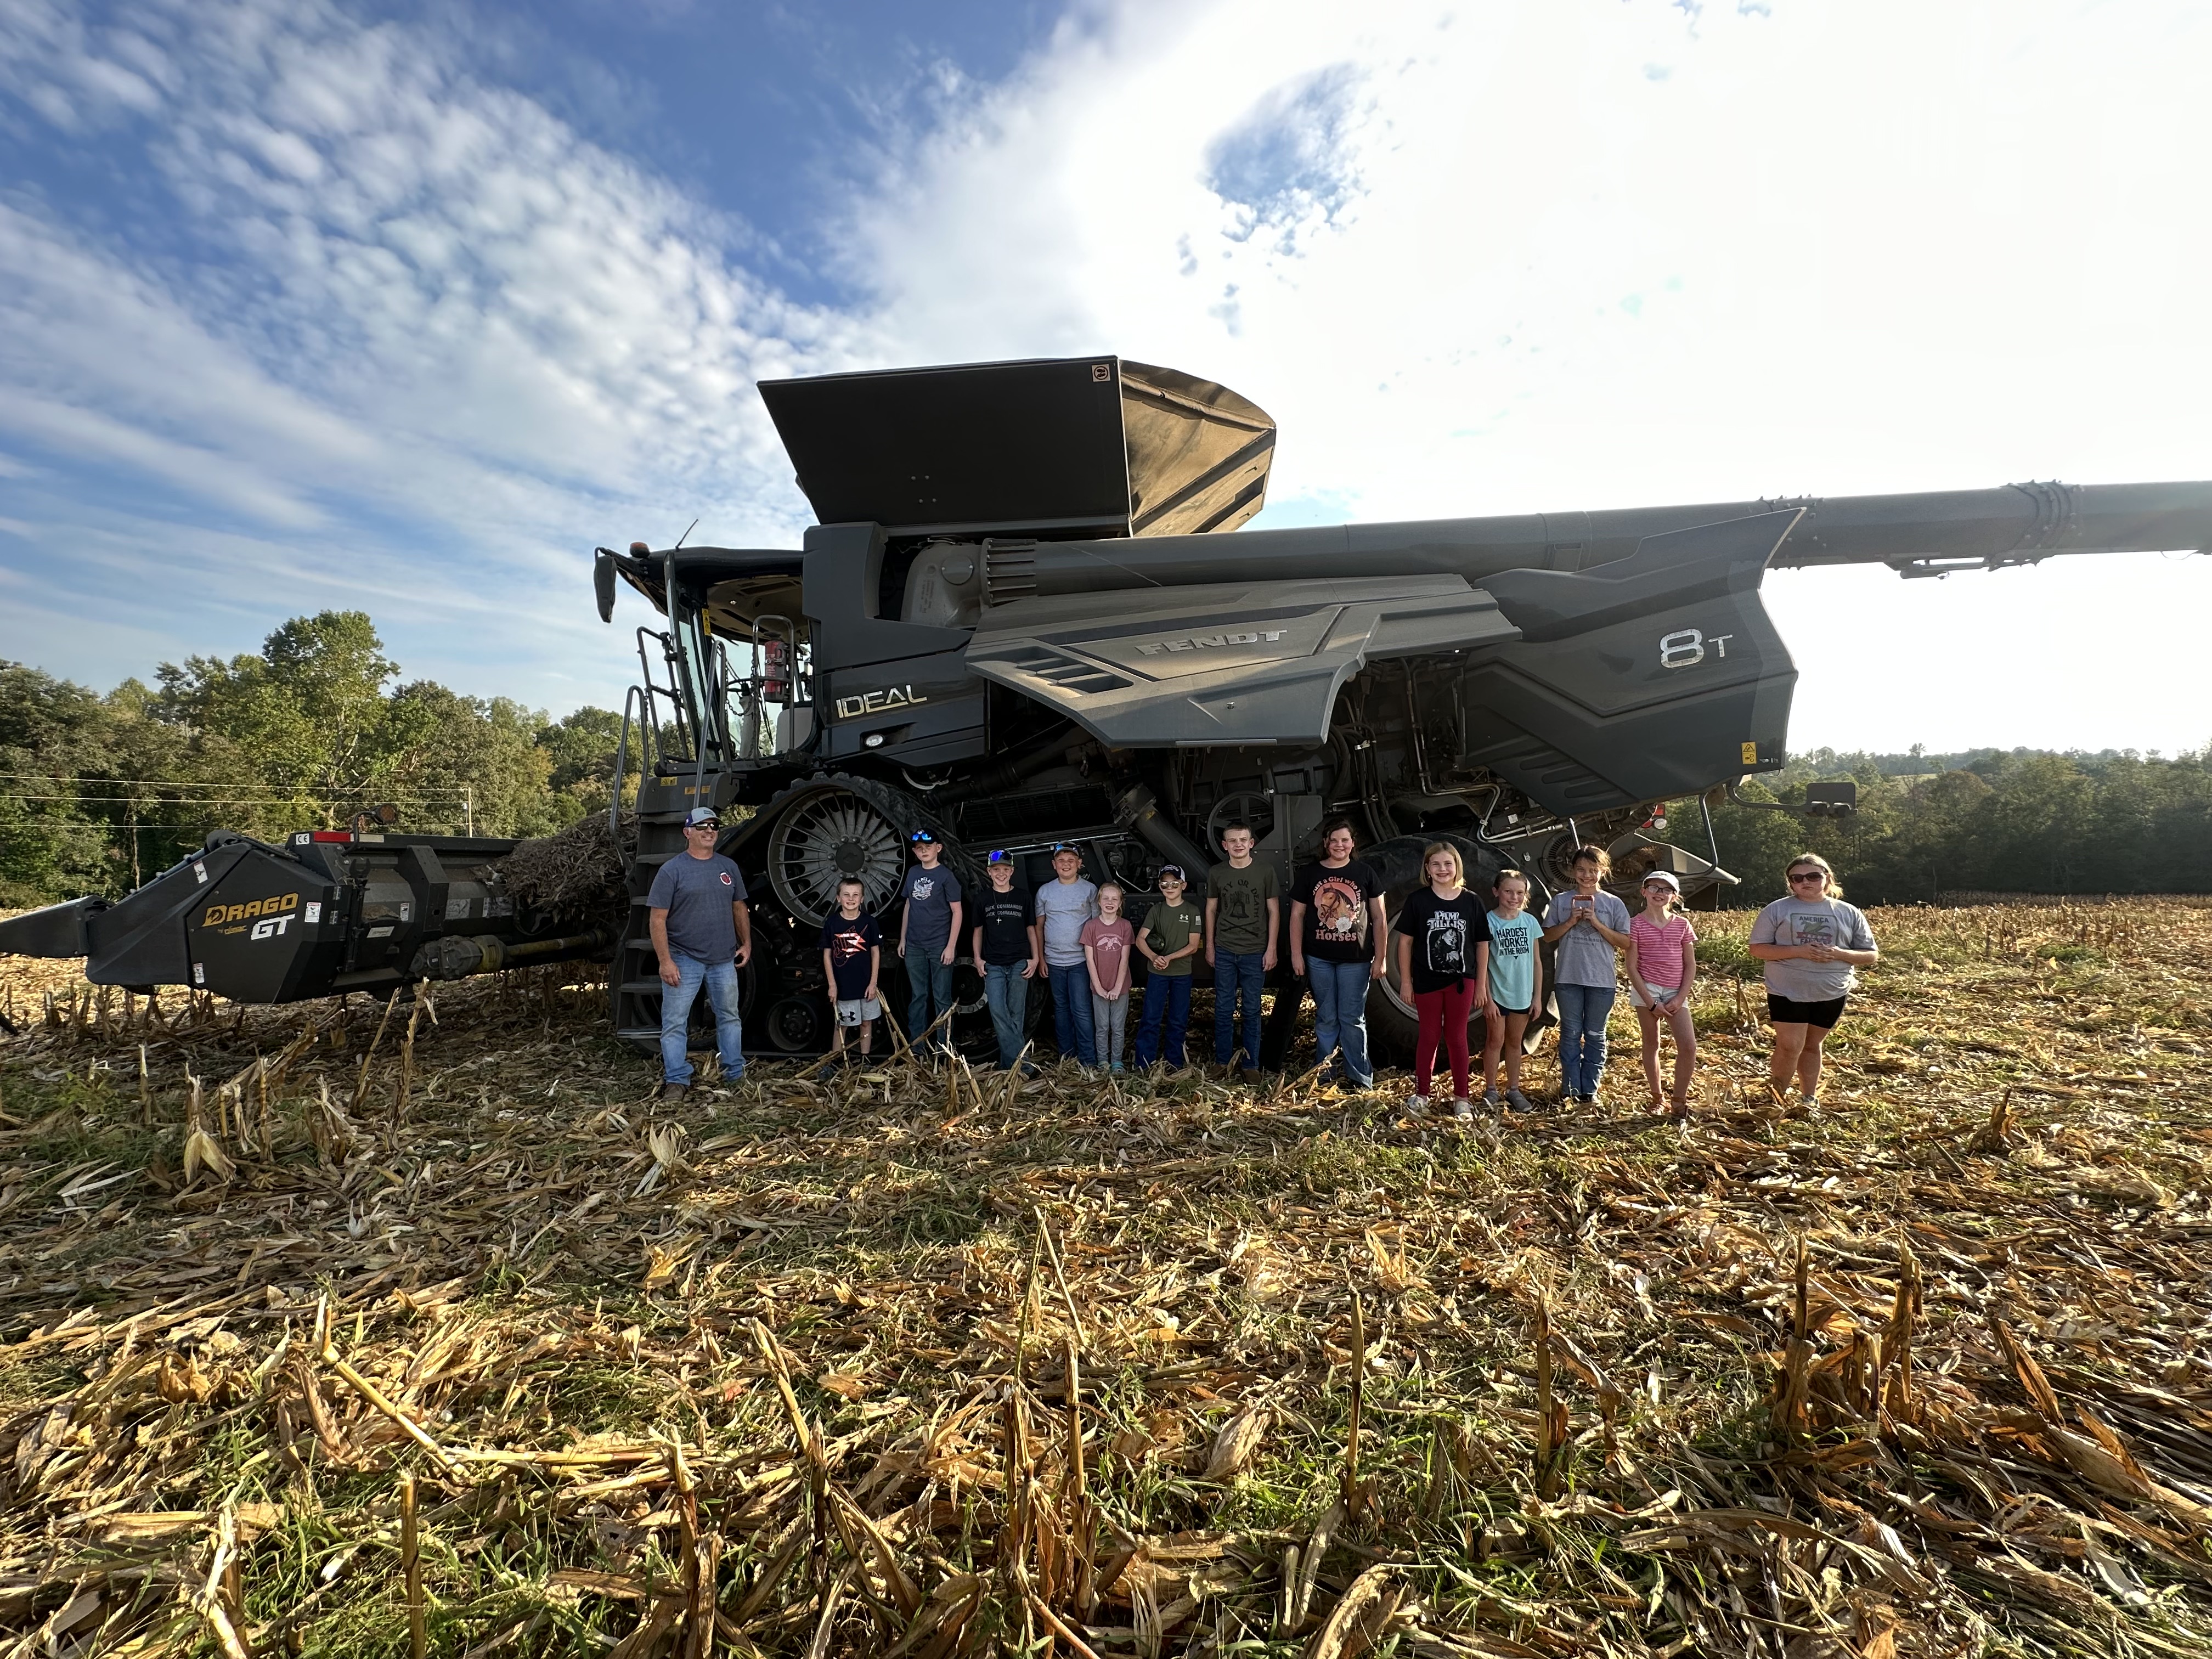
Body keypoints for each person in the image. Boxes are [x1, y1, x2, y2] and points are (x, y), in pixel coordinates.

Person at [1747, 852, 1878, 1109]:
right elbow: (1758, 949)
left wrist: (1839, 954)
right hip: (1787, 989)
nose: (1804, 882)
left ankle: (1809, 1098)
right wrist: (1799, 951)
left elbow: (1871, 954)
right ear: (1790, 883)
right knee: (1789, 1045)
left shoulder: (1849, 912)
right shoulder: (1777, 909)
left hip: (1832, 990)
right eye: (1797, 878)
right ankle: (1776, 1099)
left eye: (1813, 876)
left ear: (1827, 878)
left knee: (1812, 1045)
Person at [646, 805, 753, 1102]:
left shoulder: (727, 867)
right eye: (703, 826)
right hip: (684, 958)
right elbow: (657, 919)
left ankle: (735, 1074)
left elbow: (739, 908)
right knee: (675, 1023)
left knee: (730, 1017)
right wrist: (665, 961)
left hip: (723, 960)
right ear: (687, 832)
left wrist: (746, 944)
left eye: (715, 826)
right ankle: (676, 1081)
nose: (710, 831)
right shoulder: (672, 870)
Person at [1289, 817, 1390, 1090]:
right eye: (1334, 840)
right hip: (1319, 958)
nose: (1339, 845)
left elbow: (1380, 918)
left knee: (1352, 1018)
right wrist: (1296, 955)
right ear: (1326, 844)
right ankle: (1324, 1074)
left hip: (1355, 961)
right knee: (1326, 1016)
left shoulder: (1365, 873)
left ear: (1352, 843)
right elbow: (1297, 915)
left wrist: (1380, 958)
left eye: (1345, 840)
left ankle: (1360, 1076)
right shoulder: (1310, 874)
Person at [1394, 842, 1487, 1118]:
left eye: (1448, 864)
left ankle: (1462, 1098)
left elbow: (1482, 945)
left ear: (1457, 867)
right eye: (1436, 864)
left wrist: (1481, 984)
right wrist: (1407, 981)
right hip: (1426, 981)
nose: (1443, 869)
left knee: (1458, 1037)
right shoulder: (1418, 900)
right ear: (1427, 869)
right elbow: (1405, 943)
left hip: (1461, 982)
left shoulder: (1471, 901)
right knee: (1429, 1036)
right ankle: (1422, 1093)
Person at [1541, 845, 1632, 1107]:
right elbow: (1547, 937)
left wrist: (1597, 923)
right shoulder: (1560, 901)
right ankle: (1570, 1088)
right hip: (1568, 978)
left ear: (1603, 871)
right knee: (1570, 1033)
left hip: (1602, 981)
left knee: (1595, 1034)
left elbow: (1625, 942)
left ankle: (1590, 1089)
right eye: (1581, 869)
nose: (1587, 875)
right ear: (1572, 870)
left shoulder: (1614, 904)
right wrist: (1570, 921)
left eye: (1593, 870)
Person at [1205, 821, 1280, 1072]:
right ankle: (1222, 1062)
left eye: (1243, 840)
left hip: (1255, 951)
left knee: (1252, 1009)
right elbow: (1211, 909)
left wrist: (1271, 949)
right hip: (1225, 949)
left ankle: (1251, 1065)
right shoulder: (1217, 872)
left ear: (1251, 843)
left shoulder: (1265, 871)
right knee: (1223, 1008)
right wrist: (1210, 946)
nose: (1238, 845)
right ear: (1225, 846)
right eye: (1233, 841)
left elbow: (1274, 911)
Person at [1624, 870, 1697, 1116]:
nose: (1660, 893)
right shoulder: (1634, 925)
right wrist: (1650, 1001)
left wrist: (1680, 997)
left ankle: (1679, 1100)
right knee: (1651, 1042)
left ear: (1674, 896)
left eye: (1666, 890)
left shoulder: (1682, 925)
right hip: (1648, 989)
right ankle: (1657, 1098)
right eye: (1654, 888)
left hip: (1676, 990)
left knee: (1688, 1046)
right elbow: (1631, 967)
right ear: (1644, 891)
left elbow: (1691, 965)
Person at [1480, 869, 1544, 1111]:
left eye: (1520, 892)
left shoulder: (1530, 922)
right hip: (1498, 995)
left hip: (1523, 996)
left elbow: (1537, 963)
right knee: (1495, 1040)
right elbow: (1483, 963)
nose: (1513, 897)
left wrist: (1537, 997)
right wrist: (1488, 999)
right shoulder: (1488, 921)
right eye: (1508, 891)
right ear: (1497, 892)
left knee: (1515, 1043)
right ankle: (1491, 1090)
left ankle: (1514, 1090)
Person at [970, 849, 1040, 1070]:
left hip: (1020, 962)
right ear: (989, 872)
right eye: (996, 870)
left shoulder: (1023, 897)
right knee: (998, 1011)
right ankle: (1023, 1065)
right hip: (994, 964)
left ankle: (1009, 1067)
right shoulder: (982, 899)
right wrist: (978, 959)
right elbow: (978, 931)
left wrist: (1035, 958)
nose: (1001, 874)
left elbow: (1032, 929)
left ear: (1012, 871)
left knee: (1016, 1014)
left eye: (1006, 870)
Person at [896, 830, 964, 1056]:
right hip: (914, 945)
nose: (923, 851)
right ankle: (917, 1046)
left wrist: (951, 946)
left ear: (939, 848)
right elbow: (909, 906)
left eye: (928, 846)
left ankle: (945, 1046)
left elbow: (957, 911)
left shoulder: (946, 876)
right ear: (915, 852)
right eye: (918, 848)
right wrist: (903, 938)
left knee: (941, 997)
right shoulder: (914, 872)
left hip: (939, 945)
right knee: (918, 996)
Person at [1033, 844, 1099, 1068]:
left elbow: (1096, 927)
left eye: (1071, 860)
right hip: (1053, 961)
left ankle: (1088, 1059)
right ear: (1054, 865)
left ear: (1080, 864)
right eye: (1061, 860)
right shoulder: (1045, 892)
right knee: (1061, 1010)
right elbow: (1040, 928)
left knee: (1081, 1009)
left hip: (1080, 961)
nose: (1066, 864)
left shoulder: (1090, 890)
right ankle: (1067, 1057)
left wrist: (1095, 961)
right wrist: (1041, 958)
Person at [1133, 865, 1204, 1069]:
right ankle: (1144, 1063)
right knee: (1150, 1018)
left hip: (1182, 974)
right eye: (1165, 883)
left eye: (1174, 883)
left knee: (1178, 1020)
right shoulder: (1157, 910)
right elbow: (1140, 940)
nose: (1169, 887)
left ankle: (1174, 1063)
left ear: (1183, 885)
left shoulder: (1192, 911)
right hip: (1157, 974)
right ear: (1160, 886)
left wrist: (1168, 958)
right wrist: (1155, 957)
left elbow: (1192, 946)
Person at [818, 877, 882, 1064]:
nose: (851, 899)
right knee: (842, 1024)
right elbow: (827, 956)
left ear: (862, 899)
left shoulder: (870, 923)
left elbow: (876, 953)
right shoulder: (832, 924)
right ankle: (836, 1060)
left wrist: (873, 983)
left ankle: (865, 1060)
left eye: (856, 895)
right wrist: (832, 985)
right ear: (838, 898)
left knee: (866, 1022)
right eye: (846, 895)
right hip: (843, 985)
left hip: (865, 985)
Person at [1082, 883, 1135, 1072]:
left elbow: (1124, 959)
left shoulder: (1125, 926)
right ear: (1099, 901)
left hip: (1120, 987)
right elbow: (1089, 959)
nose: (1110, 902)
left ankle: (1117, 1062)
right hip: (1099, 986)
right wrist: (1098, 987)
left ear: (1121, 902)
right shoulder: (1091, 927)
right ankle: (1103, 1061)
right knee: (1102, 1027)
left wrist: (1117, 988)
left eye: (1115, 899)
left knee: (1118, 1027)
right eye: (1106, 898)